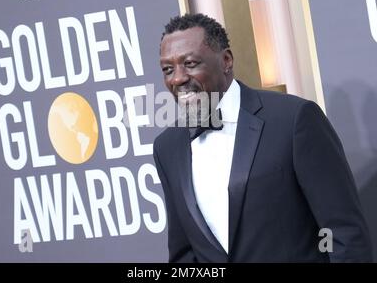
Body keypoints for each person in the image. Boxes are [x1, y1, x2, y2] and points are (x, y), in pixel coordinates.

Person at [153, 13, 372, 262]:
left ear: (226, 60)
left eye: (190, 63)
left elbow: (345, 233)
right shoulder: (168, 147)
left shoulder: (293, 120)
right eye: (168, 69)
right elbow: (184, 253)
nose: (178, 78)